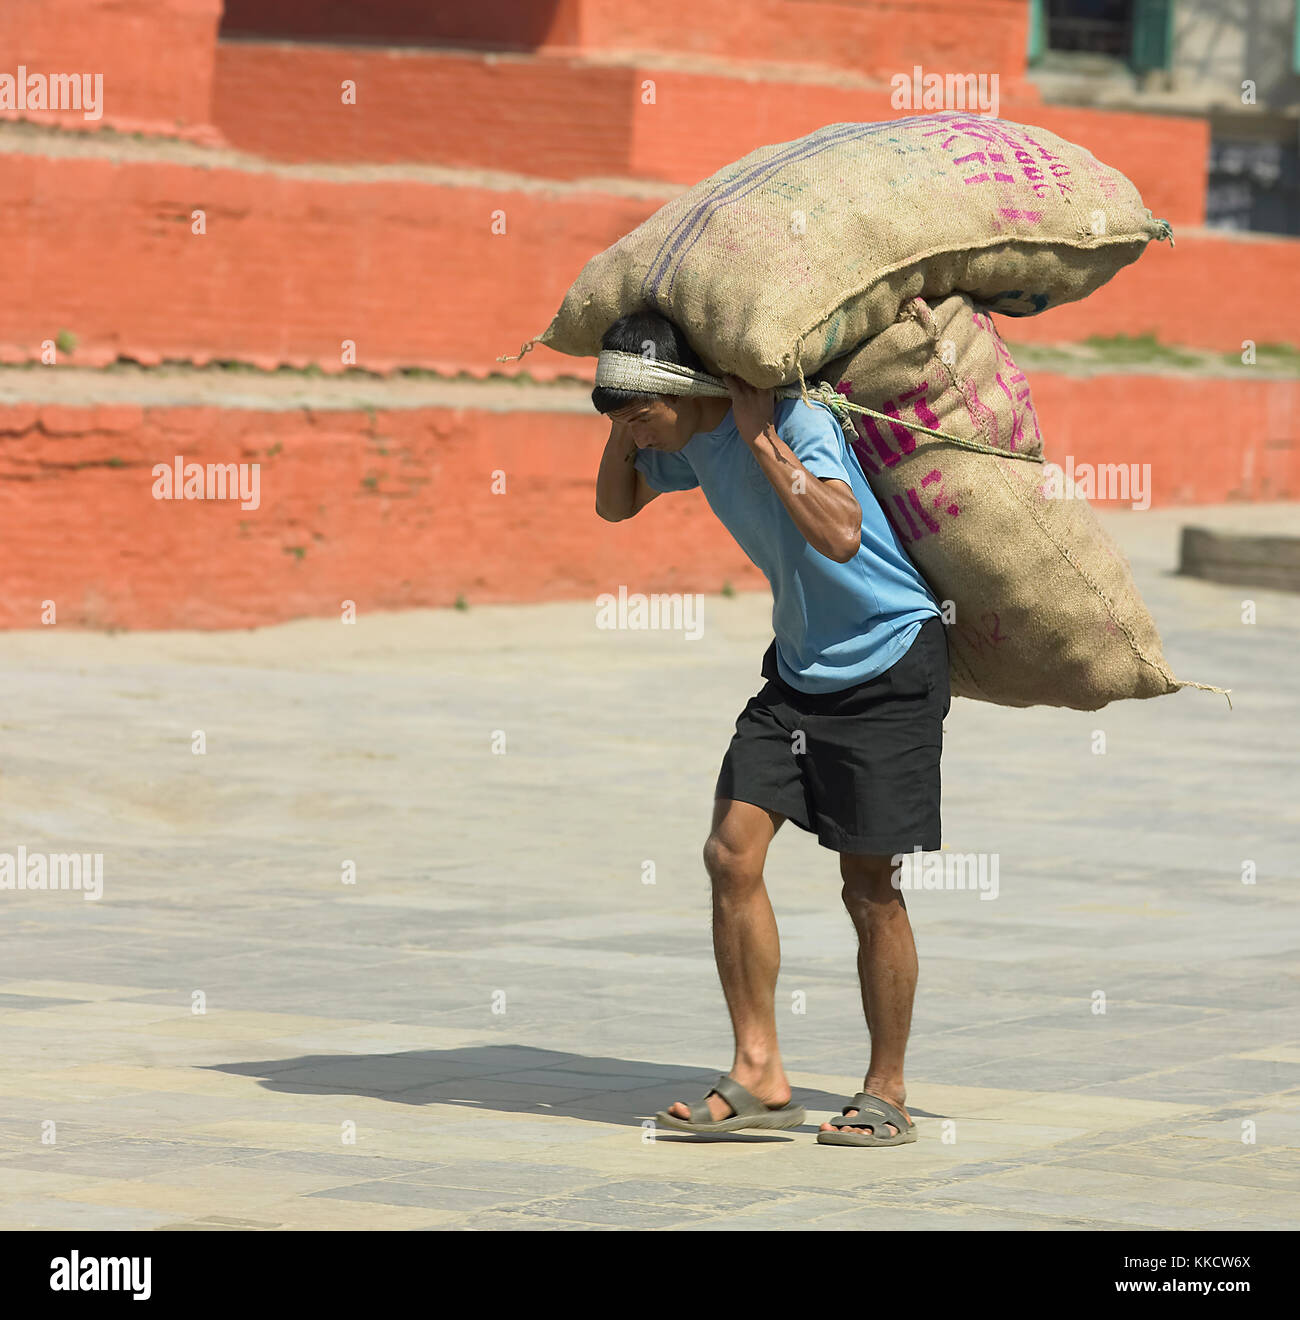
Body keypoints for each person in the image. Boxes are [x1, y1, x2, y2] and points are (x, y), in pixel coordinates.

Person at [593, 308, 950, 1147]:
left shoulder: (794, 419)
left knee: (869, 887)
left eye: (643, 410)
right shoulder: (679, 438)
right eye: (619, 412)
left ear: (686, 392)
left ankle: (886, 1089)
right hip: (796, 672)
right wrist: (624, 423)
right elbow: (615, 505)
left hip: (890, 662)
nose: (634, 429)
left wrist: (761, 440)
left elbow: (840, 531)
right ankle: (759, 1072)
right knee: (730, 853)